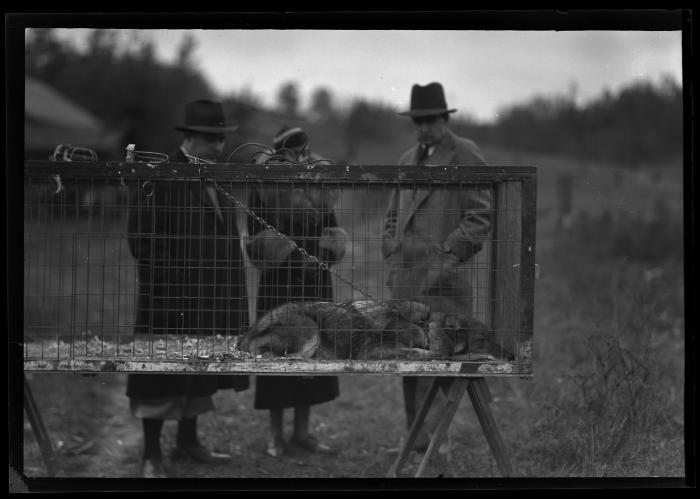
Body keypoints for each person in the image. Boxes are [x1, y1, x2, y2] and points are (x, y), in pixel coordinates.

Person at [126, 99, 250, 478]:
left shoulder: (215, 177)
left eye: (221, 138)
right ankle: (151, 454)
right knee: (160, 375)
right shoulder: (160, 175)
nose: (219, 146)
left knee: (198, 373)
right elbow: (141, 240)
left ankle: (188, 441)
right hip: (170, 298)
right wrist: (174, 284)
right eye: (212, 139)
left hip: (208, 298)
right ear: (191, 138)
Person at [382, 82, 493, 455]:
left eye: (430, 120)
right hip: (405, 284)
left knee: (442, 363)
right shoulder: (406, 159)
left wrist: (446, 256)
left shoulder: (465, 154)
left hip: (444, 285)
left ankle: (436, 443)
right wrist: (390, 251)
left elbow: (480, 217)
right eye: (418, 120)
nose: (424, 127)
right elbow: (394, 214)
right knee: (407, 360)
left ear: (445, 118)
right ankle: (416, 438)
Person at [246, 125, 346, 457]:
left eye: (303, 150)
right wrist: (283, 249)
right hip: (279, 281)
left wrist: (325, 254)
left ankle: (302, 431)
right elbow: (255, 236)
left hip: (314, 277)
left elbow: (332, 226)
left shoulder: (320, 181)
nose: (300, 156)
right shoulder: (264, 184)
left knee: (312, 352)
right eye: (292, 151)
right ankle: (276, 434)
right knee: (277, 351)